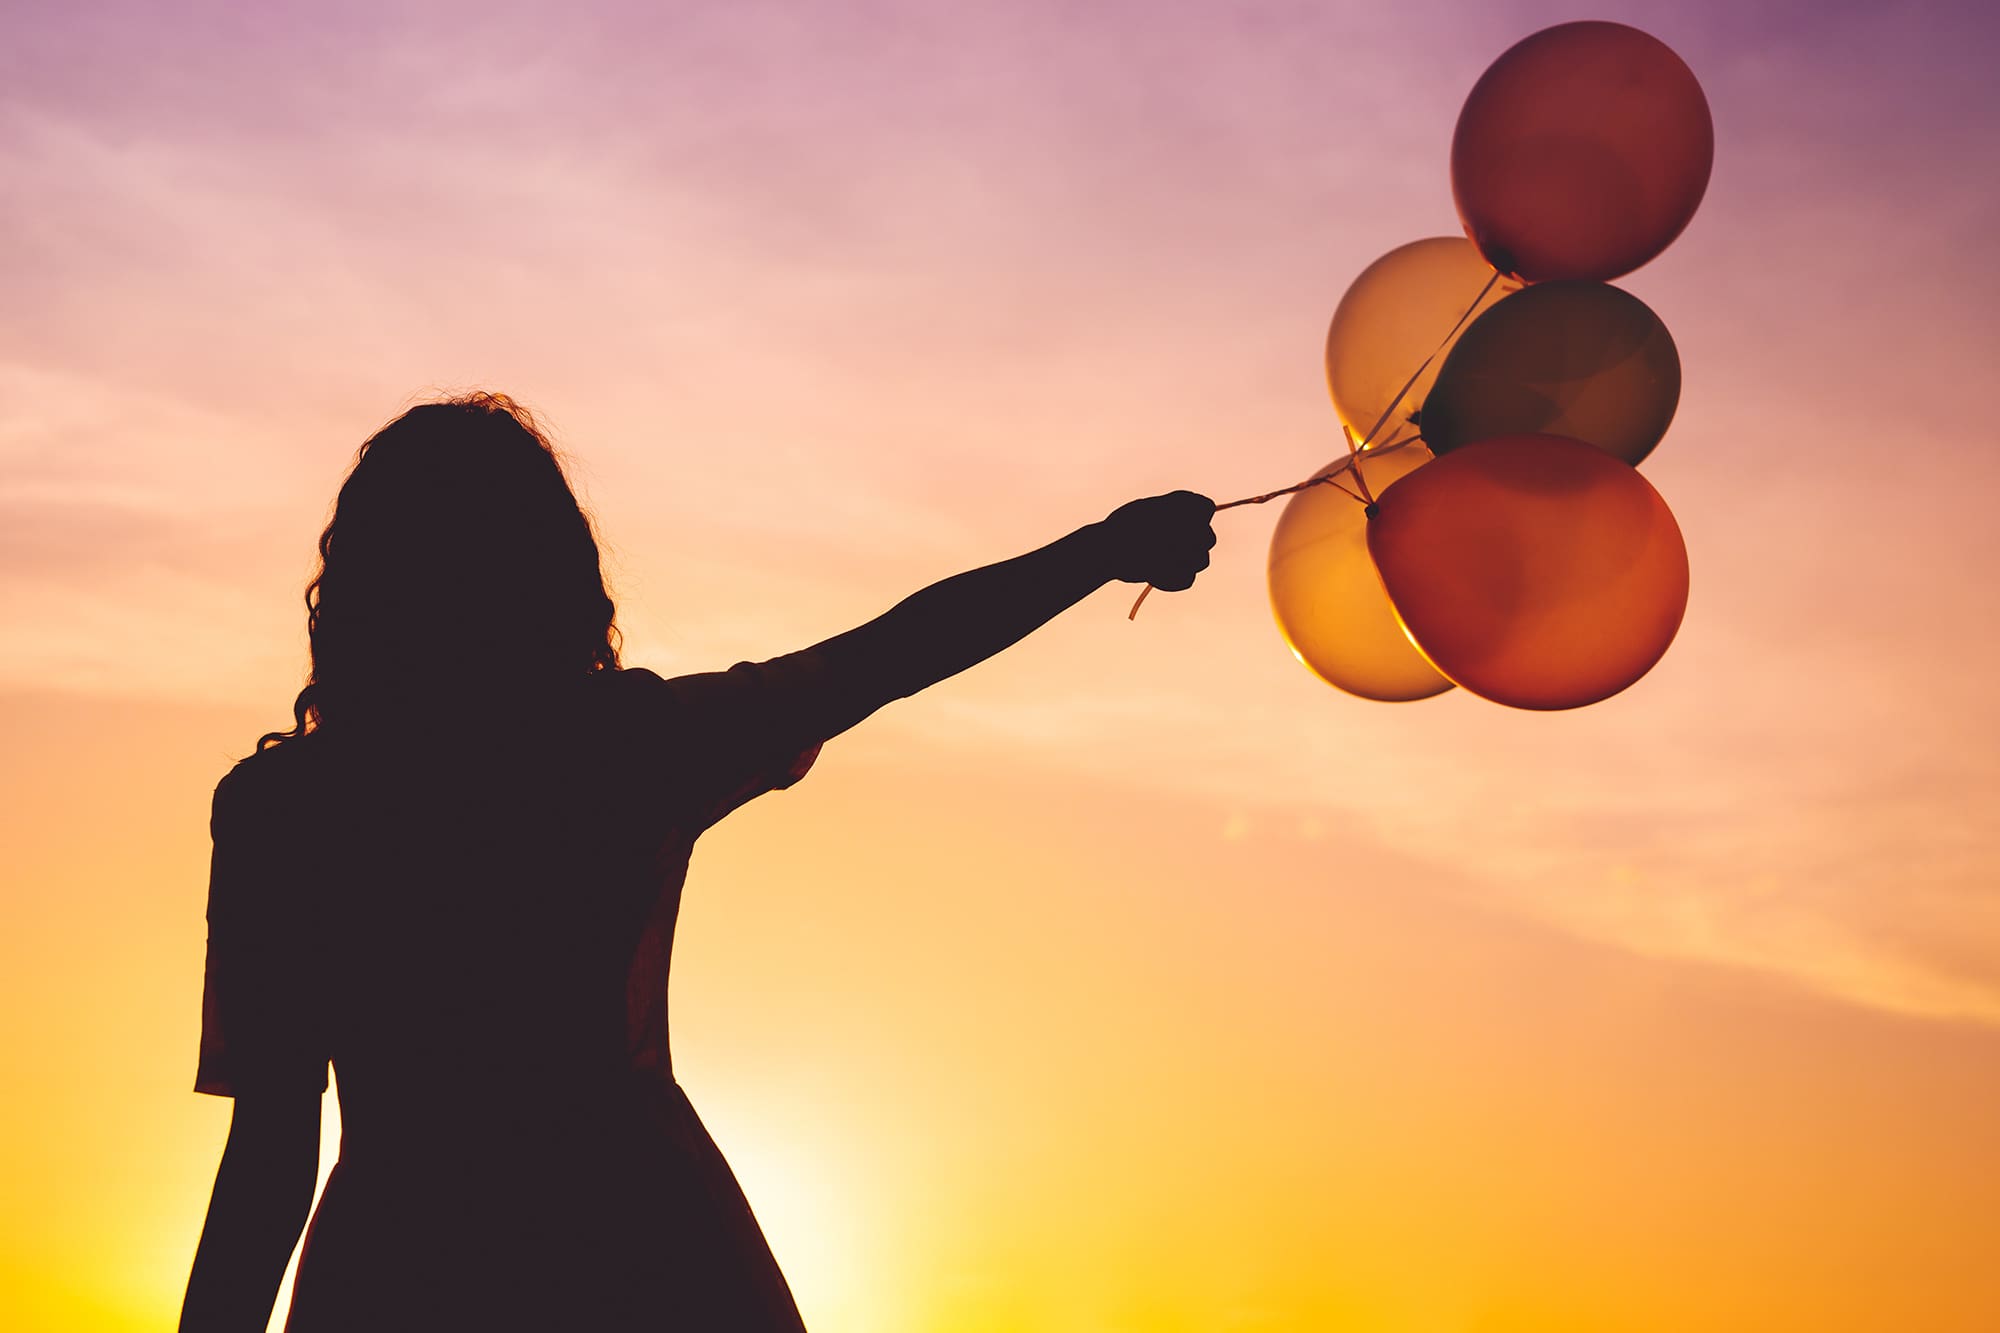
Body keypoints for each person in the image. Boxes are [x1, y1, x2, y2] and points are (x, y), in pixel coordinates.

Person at [179, 392, 1216, 1331]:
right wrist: (1100, 549)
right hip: (642, 1251)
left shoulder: (285, 811)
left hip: (402, 1272)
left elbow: (271, 1158)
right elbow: (890, 654)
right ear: (552, 577)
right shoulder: (625, 747)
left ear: (361, 589)